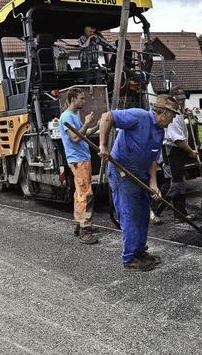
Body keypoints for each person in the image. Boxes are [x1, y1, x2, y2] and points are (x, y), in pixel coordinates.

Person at [99, 95, 179, 272]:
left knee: (143, 214)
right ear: (164, 113)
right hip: (122, 172)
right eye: (172, 116)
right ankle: (130, 259)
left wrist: (154, 183)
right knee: (131, 215)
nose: (172, 120)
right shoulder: (139, 116)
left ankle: (140, 251)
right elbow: (107, 117)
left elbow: (152, 159)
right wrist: (103, 145)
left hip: (140, 175)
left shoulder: (159, 132)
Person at [151, 87, 198, 225]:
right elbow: (177, 139)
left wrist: (184, 115)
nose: (182, 102)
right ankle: (154, 210)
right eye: (180, 100)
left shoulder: (177, 114)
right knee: (173, 184)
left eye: (184, 99)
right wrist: (190, 151)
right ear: (172, 100)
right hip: (171, 152)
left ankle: (180, 213)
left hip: (177, 152)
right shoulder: (171, 115)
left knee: (180, 183)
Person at [59, 88, 100, 244]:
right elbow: (76, 138)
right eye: (81, 98)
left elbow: (83, 133)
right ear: (73, 98)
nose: (84, 101)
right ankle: (85, 229)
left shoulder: (74, 115)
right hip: (78, 160)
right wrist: (87, 123)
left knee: (79, 193)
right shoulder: (66, 117)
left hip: (82, 159)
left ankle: (79, 224)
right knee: (86, 194)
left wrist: (95, 126)